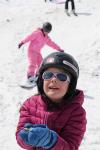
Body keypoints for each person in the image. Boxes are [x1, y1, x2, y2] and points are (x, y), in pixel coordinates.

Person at [16, 52, 87, 150]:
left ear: (70, 85)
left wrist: (51, 141)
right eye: (48, 75)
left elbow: (71, 147)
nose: (53, 80)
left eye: (62, 77)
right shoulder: (29, 104)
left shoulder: (76, 113)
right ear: (41, 81)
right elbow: (20, 138)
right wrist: (25, 139)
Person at [18, 22, 63, 88]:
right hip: (31, 51)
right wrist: (22, 42)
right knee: (32, 63)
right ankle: (30, 77)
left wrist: (59, 49)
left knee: (41, 64)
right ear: (43, 28)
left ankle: (37, 76)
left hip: (37, 52)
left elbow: (52, 44)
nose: (46, 32)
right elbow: (29, 37)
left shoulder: (46, 38)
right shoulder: (37, 33)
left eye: (48, 31)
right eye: (45, 31)